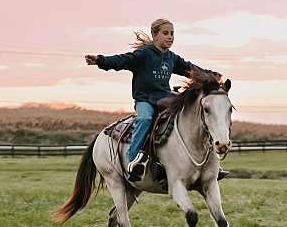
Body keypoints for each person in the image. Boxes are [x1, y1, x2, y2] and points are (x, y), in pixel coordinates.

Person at [85, 18, 227, 181]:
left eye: (172, 34)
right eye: (165, 33)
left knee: (192, 116)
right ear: (154, 35)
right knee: (145, 119)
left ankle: (207, 163)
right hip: (145, 99)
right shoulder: (144, 53)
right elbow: (122, 60)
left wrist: (210, 75)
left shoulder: (172, 58)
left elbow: (190, 68)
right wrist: (100, 60)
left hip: (165, 98)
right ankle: (133, 160)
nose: (170, 37)